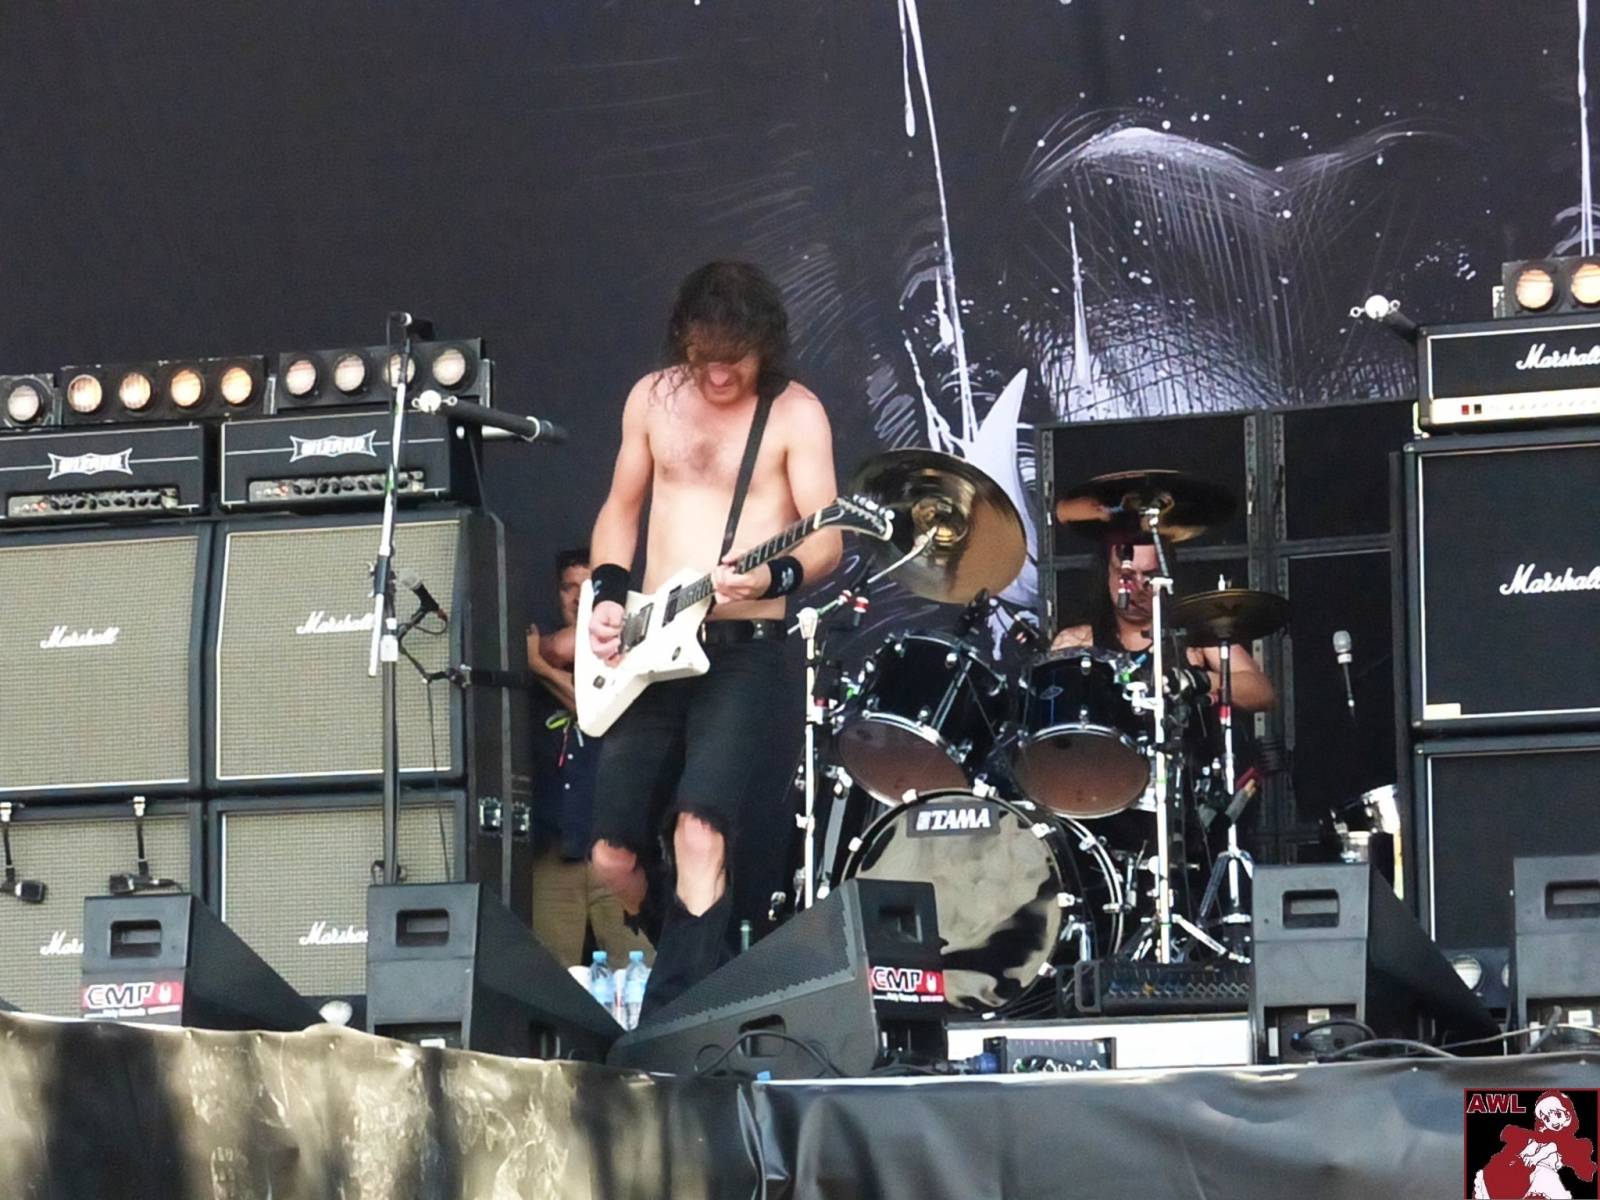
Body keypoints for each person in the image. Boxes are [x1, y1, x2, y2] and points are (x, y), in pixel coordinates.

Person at [585, 261, 841, 1017]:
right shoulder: (652, 398)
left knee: (701, 830)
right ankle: (704, 965)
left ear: (766, 345)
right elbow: (620, 508)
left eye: (736, 360)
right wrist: (607, 593)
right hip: (651, 650)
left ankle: (674, 1023)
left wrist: (771, 577)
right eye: (704, 359)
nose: (720, 375)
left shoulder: (796, 414)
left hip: (745, 648)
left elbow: (827, 539)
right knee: (612, 858)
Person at [524, 547, 652, 968]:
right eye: (568, 587)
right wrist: (538, 662)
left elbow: (598, 709)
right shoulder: (536, 650)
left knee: (638, 969)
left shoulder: (629, 650)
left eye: (589, 586)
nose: (579, 596)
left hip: (612, 845)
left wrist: (541, 669)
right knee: (551, 973)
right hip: (554, 845)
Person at [1051, 541, 1276, 711]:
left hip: (1185, 756)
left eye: (1149, 575)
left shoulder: (1195, 631)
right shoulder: (1079, 641)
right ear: (1107, 573)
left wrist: (1200, 680)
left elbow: (1262, 692)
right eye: (1126, 576)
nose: (1138, 587)